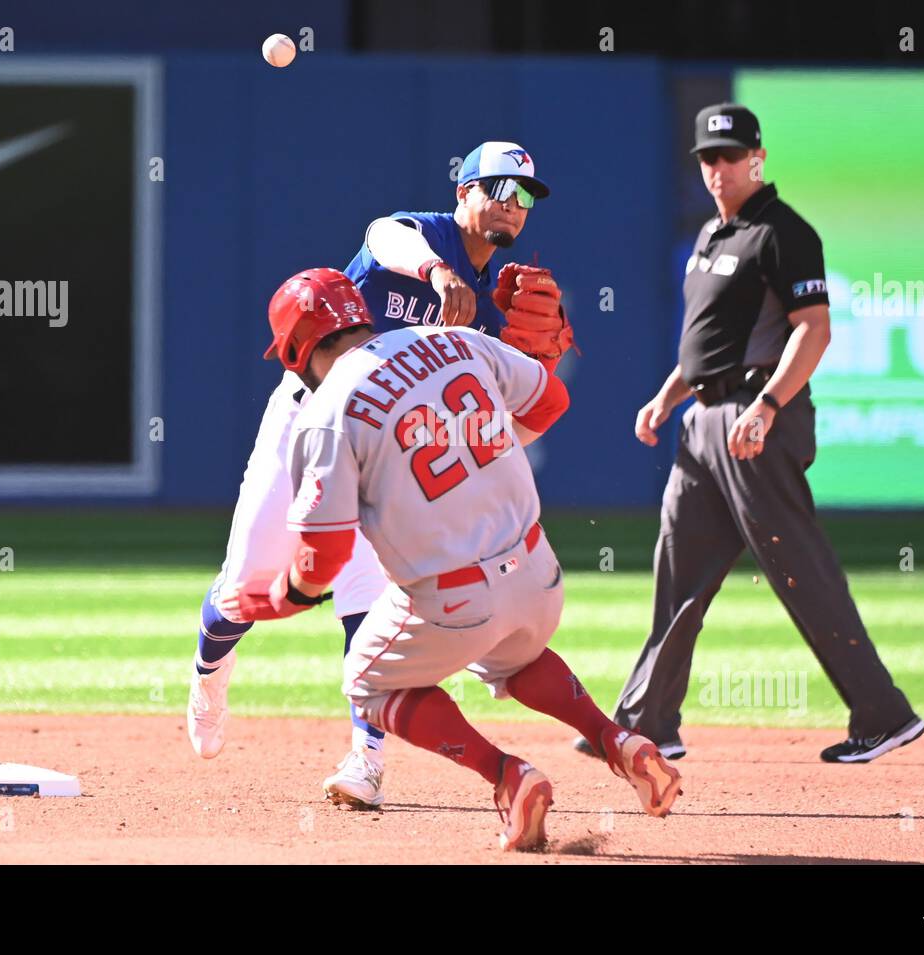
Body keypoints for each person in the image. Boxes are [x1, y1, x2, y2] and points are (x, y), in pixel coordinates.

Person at [221, 267, 679, 850]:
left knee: (366, 684)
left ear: (293, 352)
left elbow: (326, 553)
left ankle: (507, 777)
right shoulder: (449, 338)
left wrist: (284, 598)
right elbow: (552, 399)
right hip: (539, 574)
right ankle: (619, 743)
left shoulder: (326, 411)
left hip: (454, 600)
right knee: (511, 659)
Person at [188, 141, 574, 809]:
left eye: (525, 197)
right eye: (498, 188)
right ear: (462, 193)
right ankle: (210, 670)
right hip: (305, 421)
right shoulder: (422, 236)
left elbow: (508, 429)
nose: (512, 204)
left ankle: (365, 759)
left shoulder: (491, 311)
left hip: (385, 449)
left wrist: (539, 361)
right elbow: (381, 232)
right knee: (245, 579)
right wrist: (437, 272)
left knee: (370, 597)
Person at [575, 103, 924, 765]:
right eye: (707, 157)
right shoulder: (711, 235)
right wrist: (664, 397)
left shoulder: (785, 233)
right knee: (676, 574)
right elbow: (708, 346)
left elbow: (813, 329)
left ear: (758, 157)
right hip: (702, 422)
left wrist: (765, 406)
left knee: (801, 571)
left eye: (730, 155)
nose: (717, 168)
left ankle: (884, 713)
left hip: (757, 418)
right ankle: (649, 722)